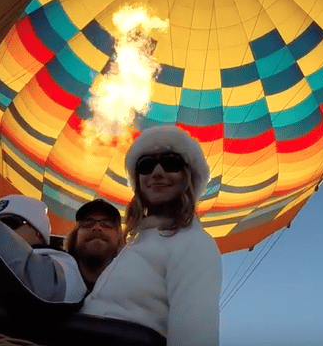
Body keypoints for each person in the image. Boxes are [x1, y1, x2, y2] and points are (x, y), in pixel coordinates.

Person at [80, 125, 222, 346]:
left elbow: (194, 337)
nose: (157, 172)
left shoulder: (194, 244)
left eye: (171, 163)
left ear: (189, 177)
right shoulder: (136, 243)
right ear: (138, 180)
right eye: (146, 166)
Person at [0, 194, 87, 309]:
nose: (3, 230)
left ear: (38, 232)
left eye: (11, 223)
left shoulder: (64, 265)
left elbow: (49, 291)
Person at [64, 199, 123, 292]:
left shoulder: (133, 284)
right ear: (75, 235)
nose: (97, 228)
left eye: (107, 224)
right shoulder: (54, 276)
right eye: (88, 223)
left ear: (120, 236)